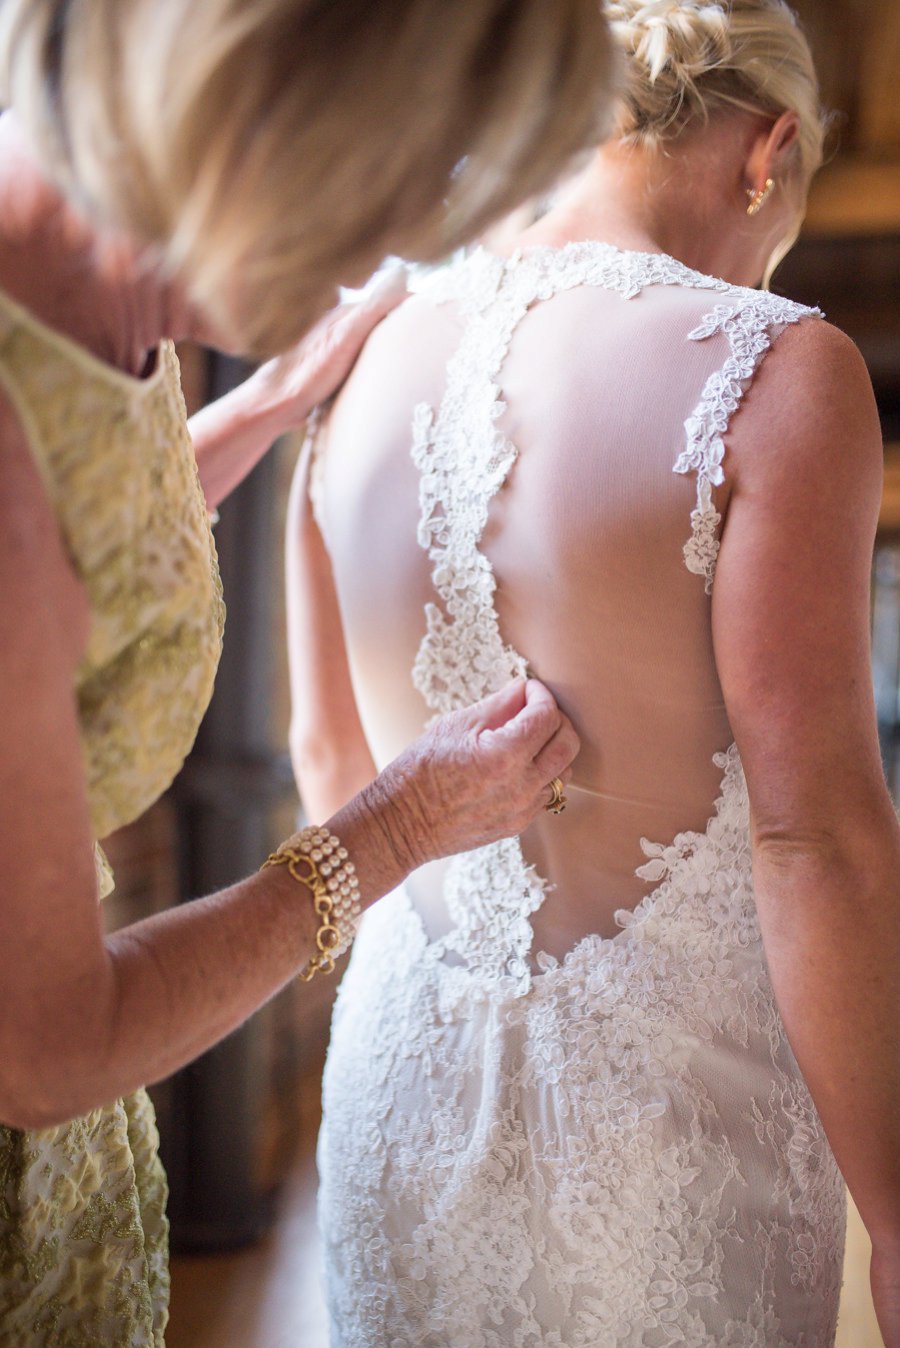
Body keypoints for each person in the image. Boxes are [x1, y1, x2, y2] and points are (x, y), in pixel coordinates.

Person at [0, 0, 616, 1341]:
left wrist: (261, 411)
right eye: (363, 212)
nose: (363, 272)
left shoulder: (78, 283)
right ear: (252, 127)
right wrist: (393, 828)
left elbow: (87, 549)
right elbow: (42, 1046)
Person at [290, 1, 900, 1343]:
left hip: (401, 1093)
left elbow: (330, 769)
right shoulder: (775, 368)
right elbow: (819, 843)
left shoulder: (352, 362)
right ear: (771, 148)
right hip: (677, 1131)